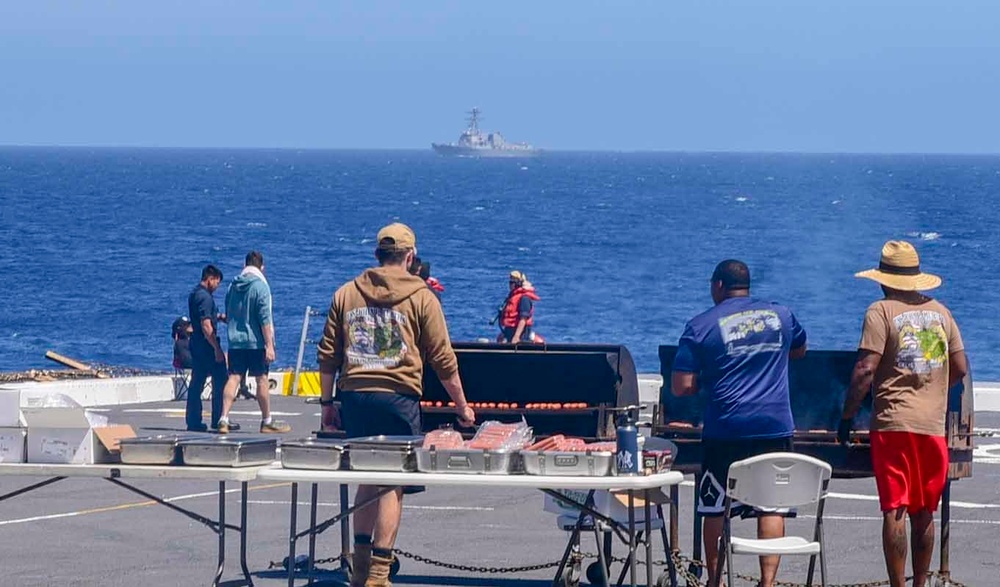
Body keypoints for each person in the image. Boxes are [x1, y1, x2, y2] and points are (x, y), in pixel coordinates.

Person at [317, 223, 475, 587]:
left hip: (355, 395)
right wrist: (462, 406)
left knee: (366, 478)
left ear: (377, 255)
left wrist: (327, 403)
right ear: (410, 257)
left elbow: (327, 355)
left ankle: (359, 569)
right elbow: (443, 359)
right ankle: (378, 573)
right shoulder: (422, 297)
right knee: (392, 484)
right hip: (398, 398)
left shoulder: (346, 293)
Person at [671, 259, 807, 587]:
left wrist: (711, 377)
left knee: (715, 507)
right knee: (771, 507)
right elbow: (800, 349)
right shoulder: (782, 315)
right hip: (775, 426)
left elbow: (681, 386)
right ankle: (767, 582)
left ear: (718, 285)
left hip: (726, 430)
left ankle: (715, 581)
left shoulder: (701, 325)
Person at [839, 241, 967, 587]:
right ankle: (920, 583)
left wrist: (847, 417)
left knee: (895, 508)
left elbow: (865, 370)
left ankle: (898, 584)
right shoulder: (941, 312)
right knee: (924, 511)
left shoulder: (880, 311)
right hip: (932, 426)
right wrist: (933, 390)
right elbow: (960, 367)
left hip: (894, 425)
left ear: (884, 279)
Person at [216, 251, 290, 434]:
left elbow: (229, 312)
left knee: (233, 378)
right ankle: (266, 420)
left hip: (236, 341)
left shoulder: (232, 286)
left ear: (245, 265)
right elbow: (264, 319)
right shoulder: (260, 287)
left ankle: (223, 418)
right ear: (261, 267)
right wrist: (269, 345)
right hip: (256, 343)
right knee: (261, 379)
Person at [186, 265, 231, 432]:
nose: (217, 286)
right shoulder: (205, 297)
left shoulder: (195, 294)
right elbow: (206, 326)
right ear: (210, 279)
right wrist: (217, 349)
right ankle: (219, 418)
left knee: (197, 382)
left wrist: (218, 317)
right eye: (217, 282)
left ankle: (193, 420)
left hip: (196, 343)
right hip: (207, 345)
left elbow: (202, 317)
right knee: (221, 380)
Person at [496, 270, 540, 343]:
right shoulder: (512, 297)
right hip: (509, 332)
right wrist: (504, 333)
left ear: (518, 284)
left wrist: (516, 336)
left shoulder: (524, 299)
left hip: (521, 336)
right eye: (510, 282)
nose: (510, 285)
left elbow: (523, 319)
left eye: (512, 282)